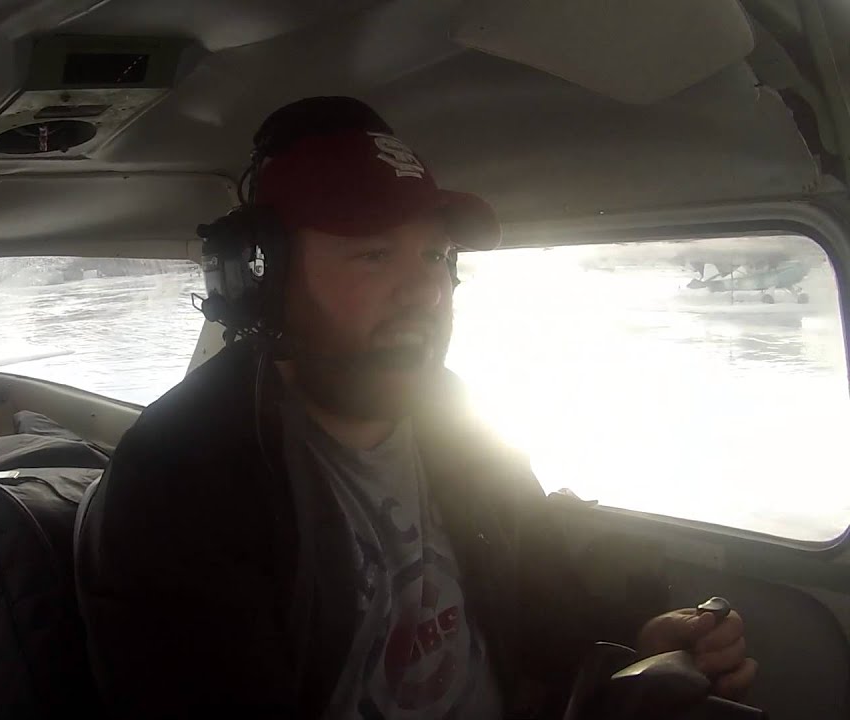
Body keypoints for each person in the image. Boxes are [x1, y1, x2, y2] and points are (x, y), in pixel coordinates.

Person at [75, 97, 757, 719]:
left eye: (434, 255)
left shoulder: (458, 417)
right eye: (374, 255)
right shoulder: (184, 469)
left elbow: (544, 607)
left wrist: (637, 643)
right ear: (264, 281)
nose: (425, 291)